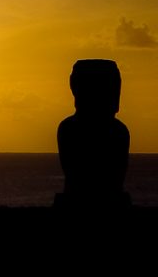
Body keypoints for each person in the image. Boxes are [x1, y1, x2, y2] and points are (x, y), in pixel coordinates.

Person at [55, 59, 131, 208]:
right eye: (112, 87)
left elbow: (114, 179)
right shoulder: (69, 129)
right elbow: (76, 176)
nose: (117, 93)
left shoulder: (119, 131)